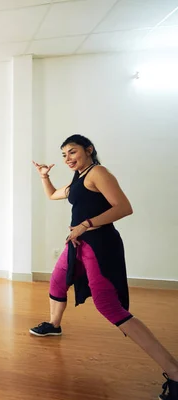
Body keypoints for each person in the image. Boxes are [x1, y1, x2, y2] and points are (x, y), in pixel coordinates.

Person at [30, 134, 178, 400]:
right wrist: (43, 176)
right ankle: (54, 324)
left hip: (99, 245)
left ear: (89, 150)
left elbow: (123, 207)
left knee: (109, 306)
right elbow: (53, 195)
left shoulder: (98, 172)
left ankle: (175, 372)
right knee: (57, 281)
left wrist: (85, 224)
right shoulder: (79, 178)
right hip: (78, 243)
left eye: (72, 152)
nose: (67, 159)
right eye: (64, 155)